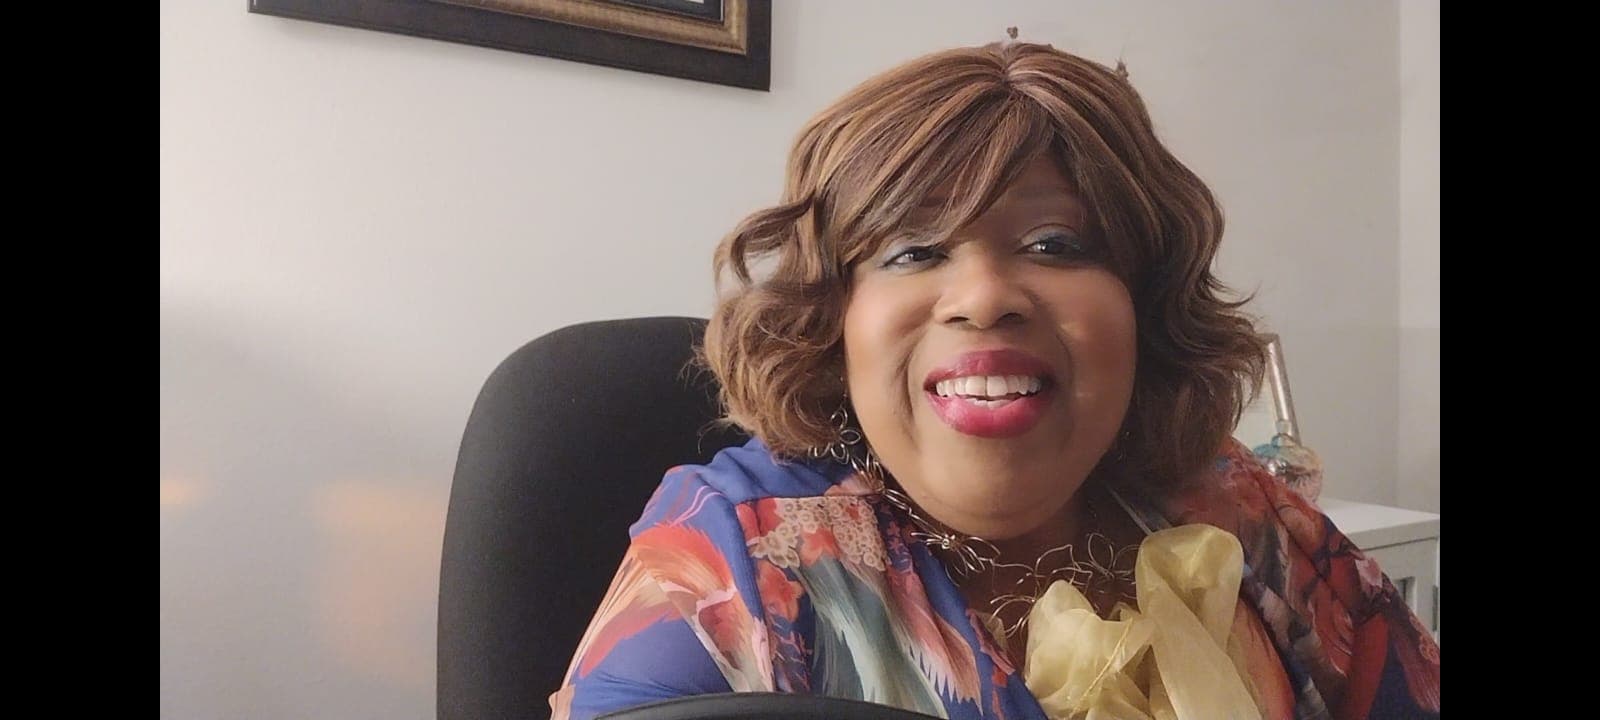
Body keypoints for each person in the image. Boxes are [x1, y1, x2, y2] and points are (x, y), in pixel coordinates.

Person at [549, 40, 1440, 720]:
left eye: (1055, 244)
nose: (982, 299)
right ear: (835, 317)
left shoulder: (1239, 510)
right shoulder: (728, 567)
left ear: (1145, 303)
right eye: (913, 251)